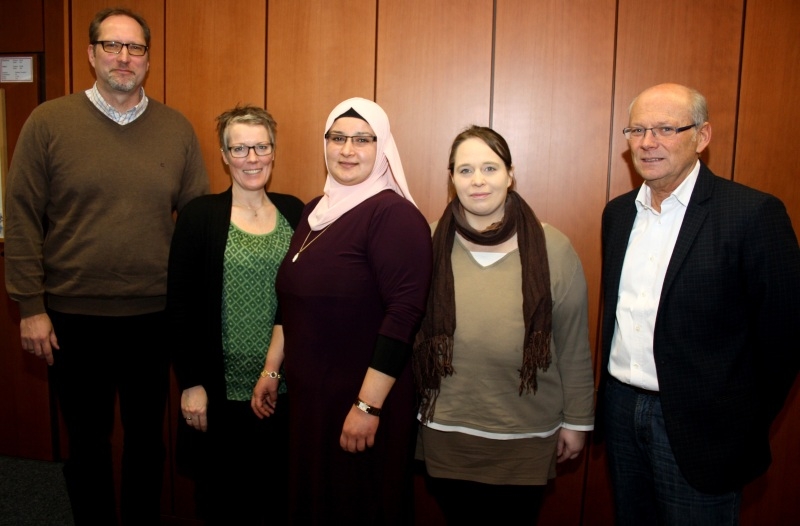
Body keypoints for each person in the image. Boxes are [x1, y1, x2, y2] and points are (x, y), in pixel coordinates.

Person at [3, 7, 209, 525]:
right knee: (86, 445)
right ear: (91, 54)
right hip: (71, 318)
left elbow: (196, 228)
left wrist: (193, 314)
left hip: (154, 318)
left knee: (147, 443)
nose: (124, 57)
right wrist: (30, 306)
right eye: (112, 45)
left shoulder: (177, 129)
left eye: (135, 47)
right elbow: (21, 214)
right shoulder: (48, 122)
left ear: (147, 59)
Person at [597, 83, 800, 525]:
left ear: (702, 136)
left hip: (703, 430)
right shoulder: (618, 214)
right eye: (637, 130)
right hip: (620, 411)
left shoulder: (751, 214)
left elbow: (785, 339)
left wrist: (738, 422)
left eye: (666, 129)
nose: (647, 142)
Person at [251, 97, 432, 524]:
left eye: (362, 140)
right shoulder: (315, 211)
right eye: (337, 138)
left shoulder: (394, 215)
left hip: (362, 400)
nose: (347, 150)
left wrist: (367, 407)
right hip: (312, 400)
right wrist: (272, 370)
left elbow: (404, 317)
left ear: (382, 147)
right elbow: (292, 300)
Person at [412, 126, 595, 524]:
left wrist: (578, 422)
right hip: (447, 433)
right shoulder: (428, 242)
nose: (477, 180)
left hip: (525, 437)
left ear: (510, 174)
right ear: (452, 178)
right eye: (465, 170)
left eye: (490, 168)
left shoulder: (553, 247)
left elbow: (573, 344)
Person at [167, 104, 303, 524]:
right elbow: (180, 305)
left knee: (276, 498)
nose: (252, 158)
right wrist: (190, 383)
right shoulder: (199, 216)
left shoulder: (296, 212)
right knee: (221, 501)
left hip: (282, 388)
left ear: (274, 150)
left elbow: (304, 298)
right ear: (225, 156)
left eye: (261, 146)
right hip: (219, 390)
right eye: (239, 148)